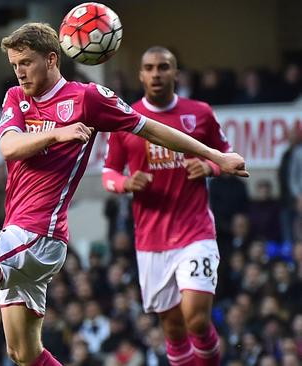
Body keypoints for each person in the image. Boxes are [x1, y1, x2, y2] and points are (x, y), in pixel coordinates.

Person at [0, 24, 247, 366]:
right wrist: (56, 135)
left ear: (52, 58)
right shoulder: (16, 98)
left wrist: (215, 157)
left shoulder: (87, 98)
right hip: (26, 236)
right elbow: (9, 147)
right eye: (14, 65)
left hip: (37, 233)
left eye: (26, 62)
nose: (20, 73)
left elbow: (151, 129)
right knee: (23, 354)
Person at [102, 46, 236, 366]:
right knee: (174, 330)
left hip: (195, 232)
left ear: (176, 73)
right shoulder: (126, 119)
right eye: (149, 68)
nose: (156, 74)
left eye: (164, 67)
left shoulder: (200, 112)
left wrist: (210, 167)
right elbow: (108, 172)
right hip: (151, 240)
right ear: (140, 74)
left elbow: (226, 153)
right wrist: (125, 184)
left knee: (197, 319)